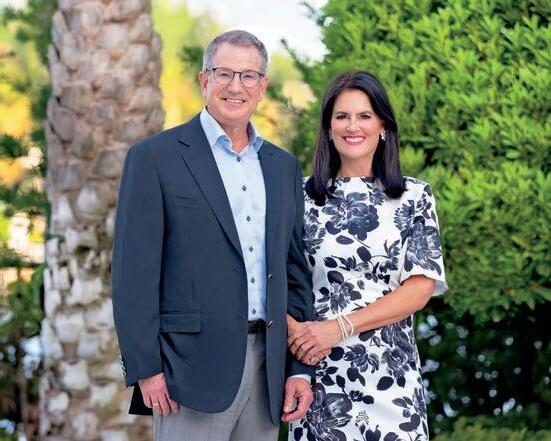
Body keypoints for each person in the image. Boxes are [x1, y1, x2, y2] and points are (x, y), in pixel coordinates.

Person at [111, 30, 314, 441]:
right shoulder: (155, 158)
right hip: (188, 369)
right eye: (224, 73)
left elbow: (294, 273)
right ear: (204, 80)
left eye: (248, 76)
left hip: (268, 370)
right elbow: (134, 274)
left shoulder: (283, 168)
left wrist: (298, 369)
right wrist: (146, 368)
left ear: (262, 87)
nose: (236, 86)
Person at [287, 71, 448, 441]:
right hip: (317, 375)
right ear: (328, 127)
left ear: (383, 126)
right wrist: (295, 334)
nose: (352, 126)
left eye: (364, 116)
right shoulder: (298, 197)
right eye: (342, 116)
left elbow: (420, 288)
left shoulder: (414, 197)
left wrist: (340, 327)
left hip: (392, 377)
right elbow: (269, 276)